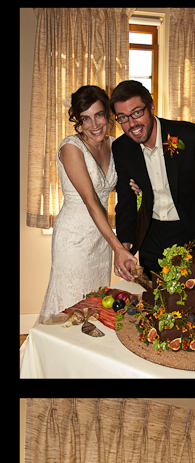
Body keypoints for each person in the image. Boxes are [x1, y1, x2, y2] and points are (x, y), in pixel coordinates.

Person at [34, 85, 139, 326]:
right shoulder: (71, 147)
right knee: (70, 305)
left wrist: (134, 185)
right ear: (78, 121)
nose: (94, 125)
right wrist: (118, 247)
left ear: (108, 114)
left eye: (99, 115)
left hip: (101, 240)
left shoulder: (114, 144)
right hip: (74, 239)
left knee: (95, 305)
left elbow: (110, 184)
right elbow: (91, 201)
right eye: (85, 118)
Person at [110, 80, 195, 280]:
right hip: (150, 235)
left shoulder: (191, 137)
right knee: (154, 294)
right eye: (122, 117)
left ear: (151, 106)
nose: (131, 124)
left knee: (192, 294)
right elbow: (126, 200)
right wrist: (124, 245)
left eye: (137, 112)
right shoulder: (122, 148)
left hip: (190, 232)